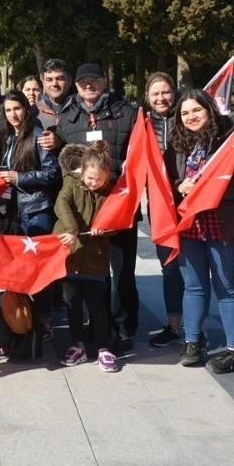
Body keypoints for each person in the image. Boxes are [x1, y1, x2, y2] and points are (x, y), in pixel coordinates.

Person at [167, 89, 234, 373]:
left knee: (227, 289)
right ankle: (192, 342)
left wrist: (216, 191)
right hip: (190, 227)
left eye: (196, 110)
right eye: (184, 113)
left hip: (226, 227)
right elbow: (168, 182)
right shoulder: (177, 146)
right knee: (194, 287)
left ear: (209, 110)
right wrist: (178, 186)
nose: (191, 117)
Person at [55, 63, 138, 352]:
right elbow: (65, 165)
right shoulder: (67, 118)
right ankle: (95, 328)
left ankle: (124, 328)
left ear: (104, 82)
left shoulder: (127, 113)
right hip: (85, 213)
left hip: (119, 208)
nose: (88, 86)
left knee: (123, 274)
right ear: (75, 86)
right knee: (92, 275)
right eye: (82, 82)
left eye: (94, 80)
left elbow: (139, 153)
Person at [54, 141, 119, 372]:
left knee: (97, 305)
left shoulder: (111, 190)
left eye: (99, 179)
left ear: (106, 175)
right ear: (82, 170)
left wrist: (106, 228)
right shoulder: (71, 182)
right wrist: (71, 229)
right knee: (72, 303)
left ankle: (104, 347)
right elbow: (61, 204)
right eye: (90, 178)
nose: (93, 183)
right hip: (72, 253)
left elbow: (119, 219)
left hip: (95, 256)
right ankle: (77, 345)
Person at [144, 72, 185, 348]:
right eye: (155, 94)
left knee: (193, 271)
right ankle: (173, 326)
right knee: (169, 268)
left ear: (174, 92)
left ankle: (196, 328)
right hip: (159, 208)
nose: (161, 98)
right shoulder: (143, 124)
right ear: (148, 97)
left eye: (166, 92)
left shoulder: (188, 118)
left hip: (189, 205)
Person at [0, 90, 60, 233]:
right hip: (14, 208)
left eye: (17, 108)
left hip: (37, 208)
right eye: (8, 110)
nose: (13, 114)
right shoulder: (9, 137)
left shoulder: (38, 135)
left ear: (26, 109)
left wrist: (19, 177)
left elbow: (52, 172)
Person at [35, 58, 72, 131]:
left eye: (60, 78)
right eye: (49, 80)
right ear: (43, 83)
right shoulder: (34, 111)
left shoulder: (82, 108)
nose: (54, 84)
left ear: (69, 80)